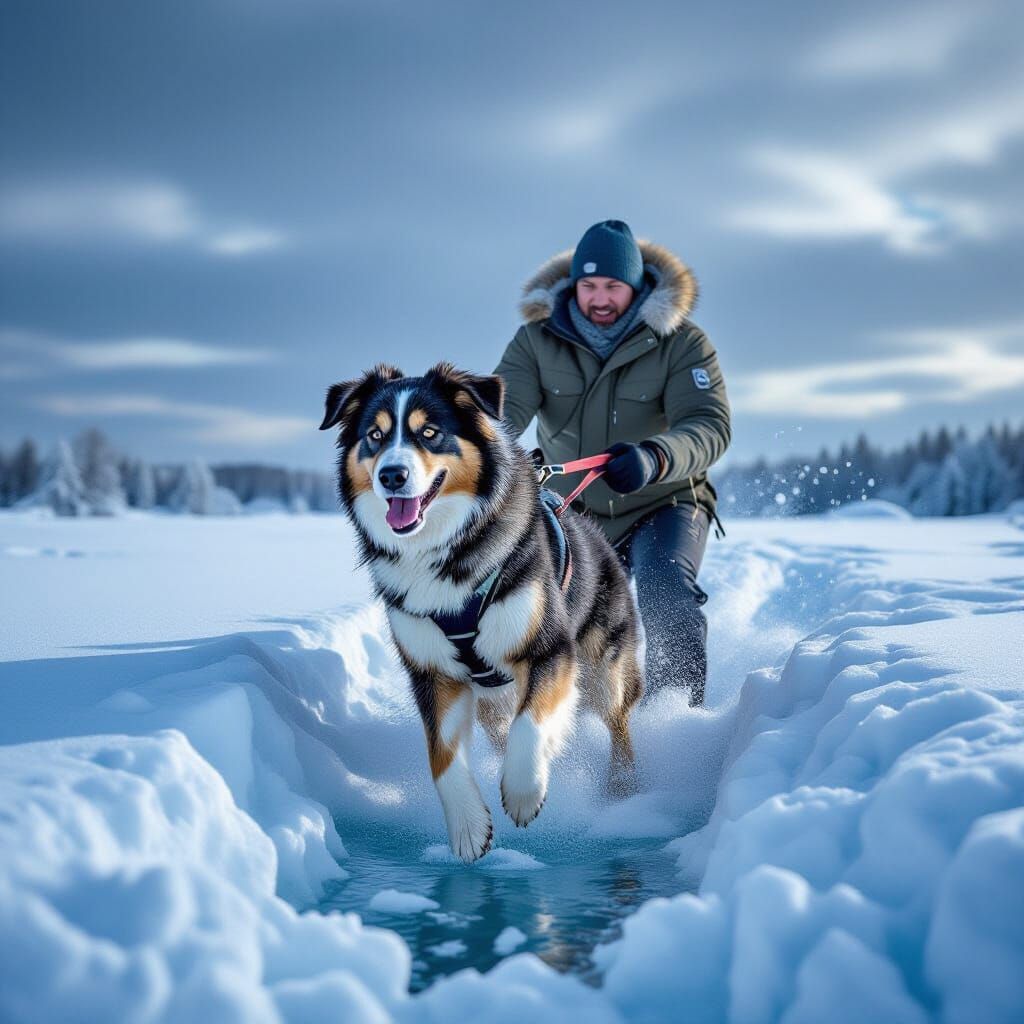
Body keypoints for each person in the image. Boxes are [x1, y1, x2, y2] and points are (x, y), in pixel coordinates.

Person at [494, 220, 730, 706]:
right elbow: (500, 419)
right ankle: (569, 722)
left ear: (637, 285)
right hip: (572, 511)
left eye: (613, 286)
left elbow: (709, 424)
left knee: (668, 595)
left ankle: (675, 720)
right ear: (573, 284)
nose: (600, 298)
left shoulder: (683, 342)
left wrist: (657, 457)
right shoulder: (534, 342)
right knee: (555, 612)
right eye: (589, 285)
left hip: (664, 499)